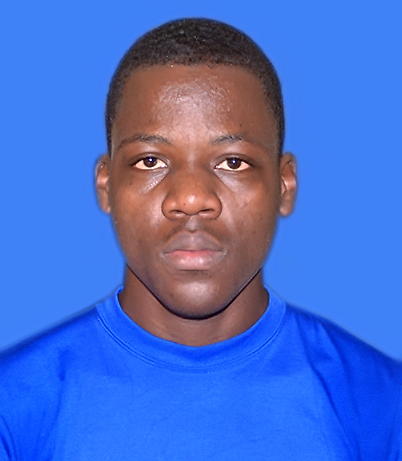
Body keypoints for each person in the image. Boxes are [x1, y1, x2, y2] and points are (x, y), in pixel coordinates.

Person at [0, 18, 401, 460]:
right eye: (150, 161)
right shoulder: (14, 405)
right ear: (106, 186)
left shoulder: (382, 405)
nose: (191, 199)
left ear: (285, 186)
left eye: (233, 163)